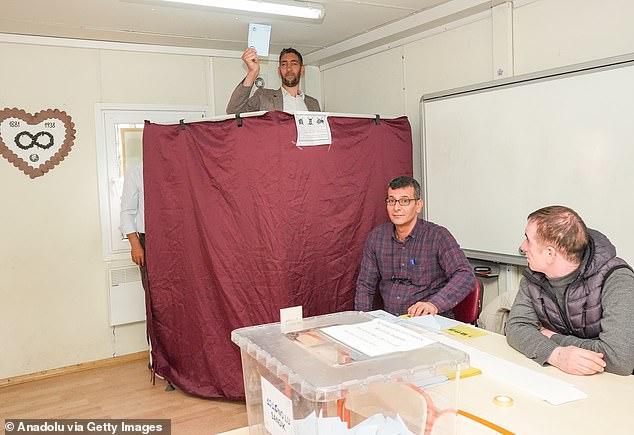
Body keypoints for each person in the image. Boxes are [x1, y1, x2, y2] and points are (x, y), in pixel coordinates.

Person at [506, 206, 634, 376]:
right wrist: (557, 355)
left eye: (528, 240)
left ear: (550, 254)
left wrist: (552, 337)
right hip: (562, 378)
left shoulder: (617, 279)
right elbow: (516, 327)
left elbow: (619, 360)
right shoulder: (535, 274)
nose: (523, 247)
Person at [355, 176, 476, 317]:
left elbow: (465, 275)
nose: (396, 208)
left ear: (418, 205)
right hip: (392, 323)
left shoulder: (437, 236)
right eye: (391, 201)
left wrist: (434, 304)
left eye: (404, 201)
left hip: (430, 323)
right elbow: (365, 285)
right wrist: (362, 319)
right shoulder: (377, 237)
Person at [226, 47, 321, 114]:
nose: (289, 69)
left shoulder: (313, 104)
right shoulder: (263, 97)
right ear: (279, 71)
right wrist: (252, 72)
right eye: (284, 64)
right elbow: (234, 110)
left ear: (302, 70)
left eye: (294, 64)